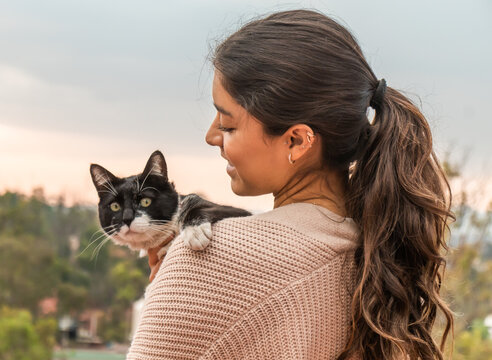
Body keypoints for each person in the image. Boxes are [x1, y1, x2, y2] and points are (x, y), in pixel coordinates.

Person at [127, 9, 453, 360]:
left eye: (228, 124)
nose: (211, 136)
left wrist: (177, 286)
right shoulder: (383, 263)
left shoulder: (207, 258)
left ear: (297, 141)